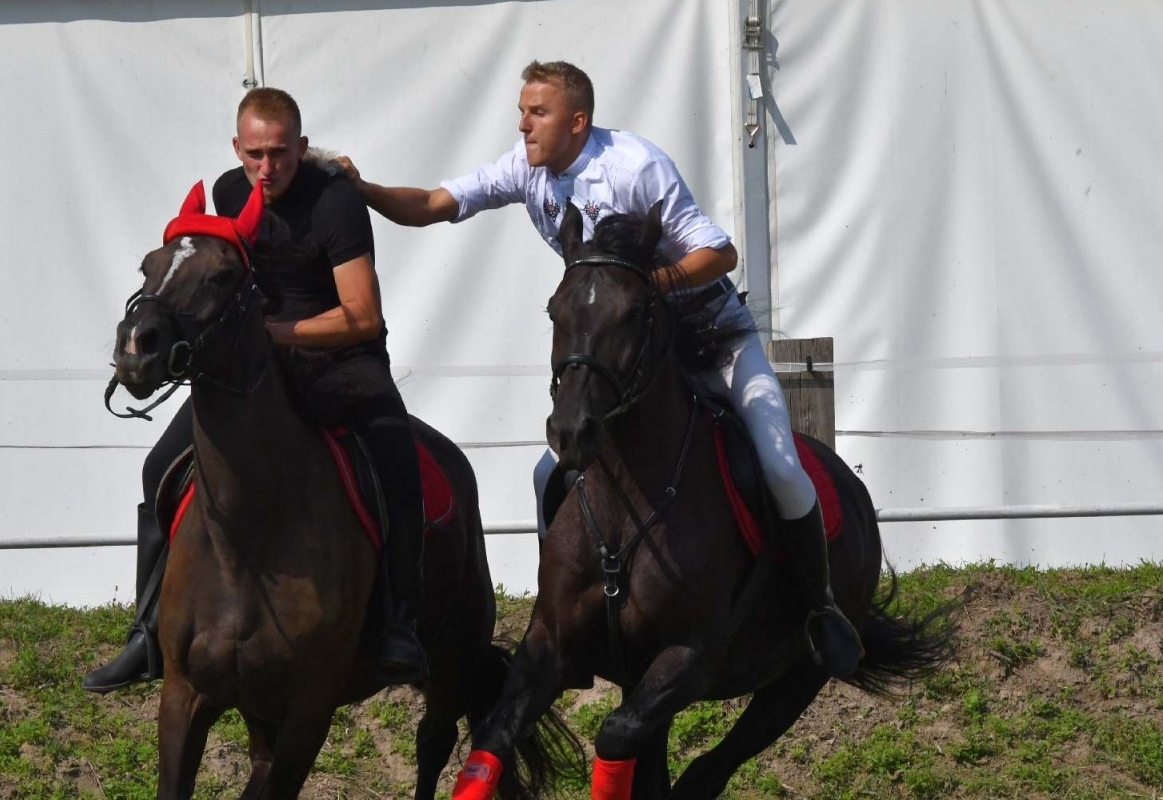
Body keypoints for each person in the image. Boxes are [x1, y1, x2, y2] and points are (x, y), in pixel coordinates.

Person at [335, 60, 863, 678]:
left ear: (577, 122)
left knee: (780, 463)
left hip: (712, 337)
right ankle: (564, 616)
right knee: (546, 472)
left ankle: (820, 609)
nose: (522, 123)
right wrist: (361, 188)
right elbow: (428, 204)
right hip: (635, 358)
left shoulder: (635, 165)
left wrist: (641, 287)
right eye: (522, 109)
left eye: (538, 112)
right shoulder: (524, 168)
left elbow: (720, 253)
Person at [84, 87, 429, 693]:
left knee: (397, 462)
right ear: (236, 149)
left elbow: (363, 315)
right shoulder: (227, 191)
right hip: (258, 367)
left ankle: (401, 622)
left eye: (279, 154)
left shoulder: (337, 201)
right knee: (158, 467)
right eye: (254, 154)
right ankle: (145, 632)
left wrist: (273, 333)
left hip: (342, 362)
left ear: (301, 147)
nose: (266, 169)